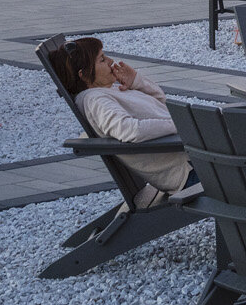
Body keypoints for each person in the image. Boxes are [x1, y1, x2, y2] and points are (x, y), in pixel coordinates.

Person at [48, 37, 192, 202]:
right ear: (84, 75)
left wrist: (136, 82)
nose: (110, 61)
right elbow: (130, 130)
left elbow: (162, 107)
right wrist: (181, 126)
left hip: (194, 161)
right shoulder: (95, 100)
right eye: (102, 59)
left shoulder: (108, 90)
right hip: (188, 172)